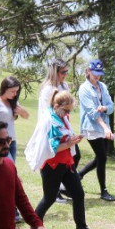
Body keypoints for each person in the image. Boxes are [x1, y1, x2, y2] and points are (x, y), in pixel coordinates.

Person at [31, 90, 101, 229]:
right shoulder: (50, 120)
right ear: (57, 105)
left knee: (78, 193)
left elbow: (65, 140)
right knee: (49, 197)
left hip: (67, 163)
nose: (68, 113)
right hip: (52, 165)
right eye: (67, 110)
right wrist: (70, 143)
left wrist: (73, 140)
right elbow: (53, 147)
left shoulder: (62, 117)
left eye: (70, 110)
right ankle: (35, 225)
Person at [35, 58, 76, 203]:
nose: (65, 74)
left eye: (66, 71)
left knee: (74, 155)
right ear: (54, 71)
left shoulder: (64, 85)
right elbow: (50, 112)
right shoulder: (48, 89)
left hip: (64, 126)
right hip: (53, 127)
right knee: (51, 157)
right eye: (63, 72)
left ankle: (63, 187)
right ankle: (55, 190)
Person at [77, 58, 115, 202]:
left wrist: (105, 108)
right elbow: (92, 113)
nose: (97, 76)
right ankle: (103, 191)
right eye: (94, 73)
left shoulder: (103, 87)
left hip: (104, 126)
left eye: (99, 73)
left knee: (100, 157)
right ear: (88, 71)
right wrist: (106, 128)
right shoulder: (84, 89)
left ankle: (78, 175)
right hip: (92, 128)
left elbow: (111, 107)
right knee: (102, 157)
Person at [0, 75, 30, 162]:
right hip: (0, 142)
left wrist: (21, 111)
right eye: (12, 91)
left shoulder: (13, 101)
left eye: (17, 91)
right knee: (9, 167)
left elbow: (26, 116)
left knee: (10, 169)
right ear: (4, 89)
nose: (15, 94)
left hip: (12, 141)